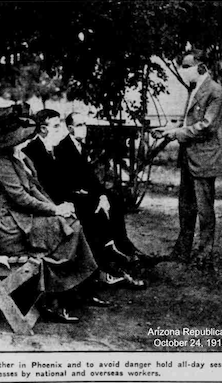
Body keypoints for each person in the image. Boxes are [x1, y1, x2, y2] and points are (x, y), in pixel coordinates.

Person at [0, 105, 108, 324]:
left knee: (69, 223)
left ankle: (76, 288)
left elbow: (34, 190)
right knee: (66, 229)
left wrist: (58, 208)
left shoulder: (11, 157)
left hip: (19, 220)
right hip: (7, 230)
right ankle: (56, 298)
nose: (22, 139)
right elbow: (21, 198)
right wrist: (55, 210)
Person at [28, 110, 147, 288]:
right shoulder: (33, 150)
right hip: (49, 205)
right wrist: (76, 196)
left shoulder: (48, 146)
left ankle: (109, 259)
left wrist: (83, 194)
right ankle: (106, 264)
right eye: (56, 126)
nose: (60, 130)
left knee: (96, 204)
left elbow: (61, 182)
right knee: (89, 208)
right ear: (43, 129)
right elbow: (47, 188)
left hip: (59, 199)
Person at [153, 49, 222, 270]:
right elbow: (189, 122)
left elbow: (206, 126)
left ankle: (205, 256)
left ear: (201, 66)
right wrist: (169, 130)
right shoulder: (194, 89)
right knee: (185, 208)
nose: (183, 71)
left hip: (204, 160)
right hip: (188, 158)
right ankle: (182, 252)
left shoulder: (215, 91)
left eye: (186, 67)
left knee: (205, 211)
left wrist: (175, 134)